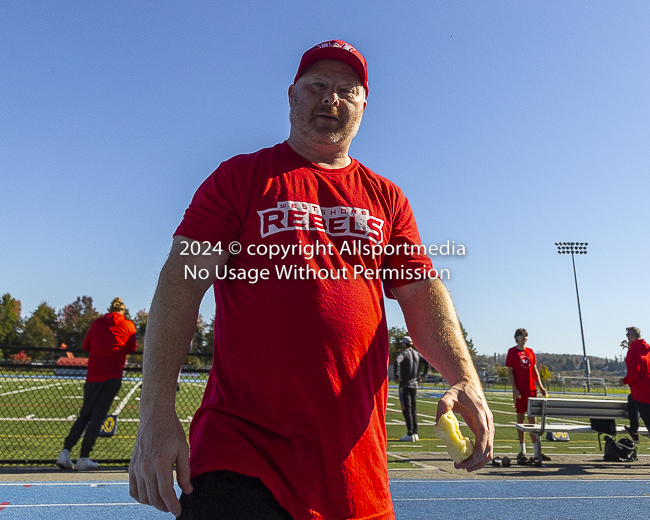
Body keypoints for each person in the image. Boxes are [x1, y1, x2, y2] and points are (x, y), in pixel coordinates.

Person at [128, 40, 494, 519]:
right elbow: (181, 283)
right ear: (291, 95)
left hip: (353, 468)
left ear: (364, 105)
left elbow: (423, 295)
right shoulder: (240, 178)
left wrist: (465, 378)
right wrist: (156, 413)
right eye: (317, 85)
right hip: (241, 454)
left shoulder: (387, 198)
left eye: (347, 89)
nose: (331, 98)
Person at [56, 297, 137, 470]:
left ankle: (66, 451)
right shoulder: (128, 325)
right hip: (113, 375)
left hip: (94, 375)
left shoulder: (97, 323)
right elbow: (132, 348)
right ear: (123, 311)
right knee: (97, 417)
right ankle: (84, 456)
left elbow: (86, 345)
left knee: (85, 415)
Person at [505, 328, 550, 465]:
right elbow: (510, 373)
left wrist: (541, 387)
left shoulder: (530, 352)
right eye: (521, 336)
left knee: (533, 422)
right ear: (516, 337)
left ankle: (537, 451)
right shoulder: (512, 352)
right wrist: (515, 389)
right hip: (520, 391)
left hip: (532, 391)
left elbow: (535, 371)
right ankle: (522, 450)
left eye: (525, 336)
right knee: (521, 420)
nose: (524, 338)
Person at [394, 335, 429, 441]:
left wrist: (396, 376)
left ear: (405, 344)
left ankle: (410, 433)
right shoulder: (417, 354)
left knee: (407, 409)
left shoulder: (404, 354)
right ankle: (415, 433)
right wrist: (423, 375)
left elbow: (397, 362)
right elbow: (427, 362)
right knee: (413, 409)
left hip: (405, 385)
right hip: (415, 385)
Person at [620, 327, 650, 444]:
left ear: (632, 337)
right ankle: (633, 430)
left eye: (628, 335)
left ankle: (634, 430)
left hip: (642, 393)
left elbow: (634, 375)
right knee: (631, 400)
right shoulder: (646, 349)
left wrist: (624, 381)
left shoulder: (633, 351)